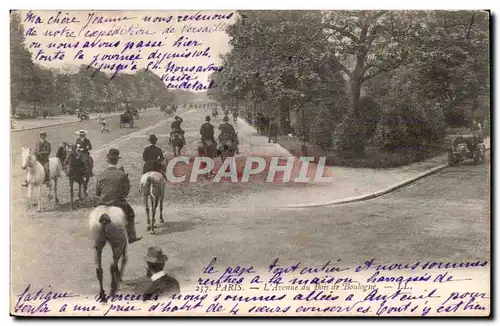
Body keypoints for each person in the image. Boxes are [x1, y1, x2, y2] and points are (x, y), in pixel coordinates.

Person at [95, 148, 142, 244]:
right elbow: (125, 192)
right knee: (131, 214)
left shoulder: (102, 174)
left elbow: (97, 192)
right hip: (117, 203)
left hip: (102, 203)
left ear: (108, 160)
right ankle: (131, 236)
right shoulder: (122, 174)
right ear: (117, 160)